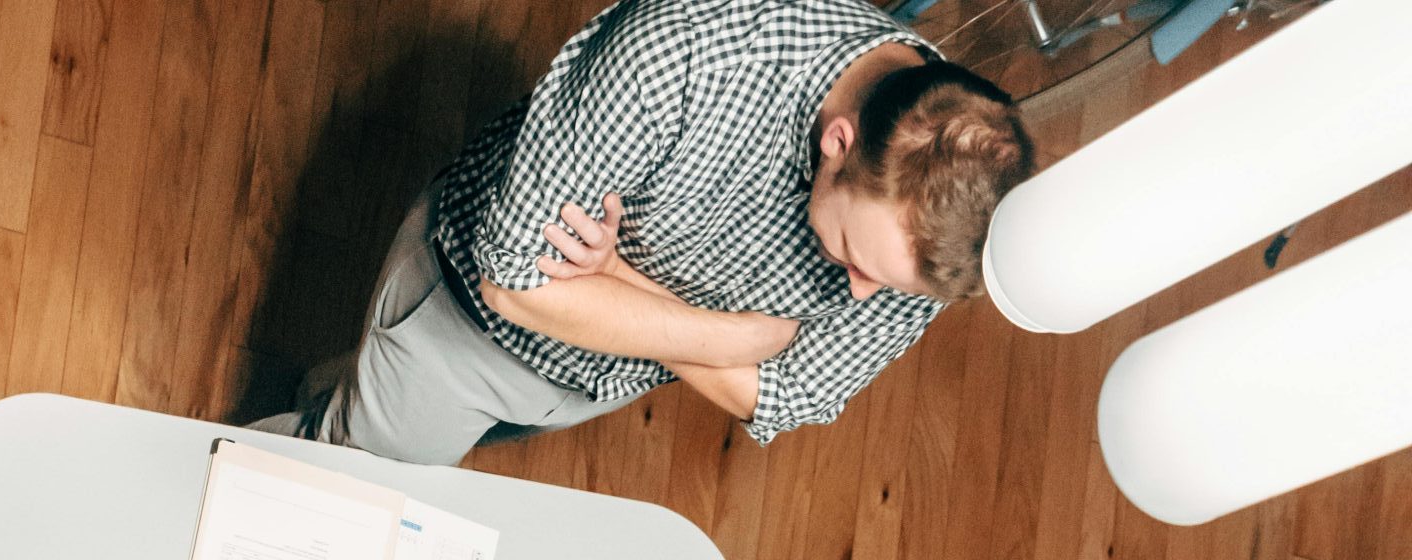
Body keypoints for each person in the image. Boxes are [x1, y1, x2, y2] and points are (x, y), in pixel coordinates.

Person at [253, 0, 1033, 465]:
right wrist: (740, 342)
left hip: (592, 382)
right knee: (345, 477)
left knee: (370, 413)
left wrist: (619, 278)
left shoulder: (943, 219)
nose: (858, 294)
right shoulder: (686, 52)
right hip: (464, 328)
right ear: (838, 141)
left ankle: (332, 394)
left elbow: (790, 396)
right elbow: (512, 277)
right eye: (856, 263)